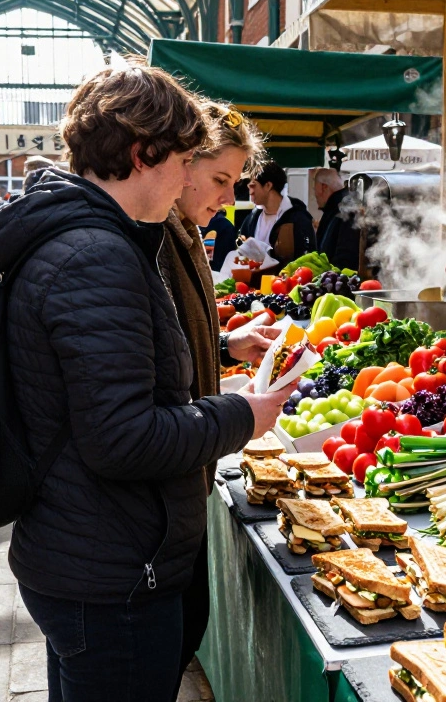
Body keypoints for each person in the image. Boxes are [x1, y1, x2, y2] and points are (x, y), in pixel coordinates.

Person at [0, 63, 290, 702]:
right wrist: (240, 416)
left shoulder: (84, 240)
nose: (185, 181)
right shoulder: (98, 256)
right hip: (112, 570)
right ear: (144, 155)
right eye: (183, 162)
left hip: (83, 553)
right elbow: (122, 438)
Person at [162, 99, 283, 696]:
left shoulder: (179, 232)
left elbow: (169, 340)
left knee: (181, 634)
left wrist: (223, 342)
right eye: (220, 180)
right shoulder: (150, 238)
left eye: (235, 184)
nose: (227, 199)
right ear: (181, 164)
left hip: (181, 480)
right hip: (149, 506)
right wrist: (240, 415)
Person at [238, 162, 314, 274]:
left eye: (253, 186)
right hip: (254, 289)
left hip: (288, 287)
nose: (250, 192)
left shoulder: (298, 218)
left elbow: (308, 259)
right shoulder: (251, 218)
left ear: (268, 186)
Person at [314, 168, 360, 272]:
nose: (315, 194)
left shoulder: (344, 209)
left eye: (314, 189)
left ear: (323, 187)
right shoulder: (337, 207)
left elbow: (345, 256)